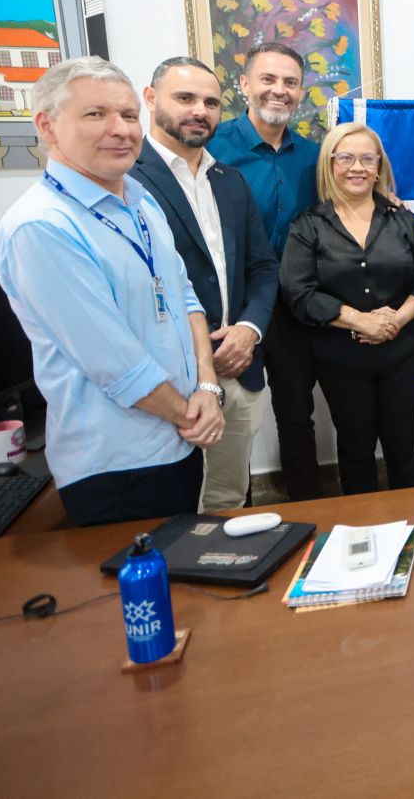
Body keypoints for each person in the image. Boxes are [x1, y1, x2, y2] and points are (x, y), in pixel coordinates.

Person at [0, 57, 224, 526]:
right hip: (120, 466)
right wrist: (192, 415)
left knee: (179, 590)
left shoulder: (138, 201)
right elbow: (116, 366)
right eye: (95, 114)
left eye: (127, 115)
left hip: (177, 442)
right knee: (139, 596)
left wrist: (206, 385)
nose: (120, 129)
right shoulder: (42, 227)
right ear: (48, 126)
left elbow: (183, 296)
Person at [132, 57, 279, 512]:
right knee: (174, 513)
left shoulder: (228, 180)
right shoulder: (126, 181)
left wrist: (249, 330)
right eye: (185, 98)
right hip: (173, 384)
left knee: (227, 502)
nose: (200, 110)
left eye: (211, 103)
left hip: (240, 368)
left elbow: (263, 268)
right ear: (151, 98)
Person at [280, 122, 414, 494]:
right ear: (330, 164)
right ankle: (363, 540)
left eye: (368, 158)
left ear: (379, 166)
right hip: (341, 357)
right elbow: (299, 292)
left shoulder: (402, 219)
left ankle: (413, 532)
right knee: (355, 451)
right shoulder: (309, 227)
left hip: (401, 351)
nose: (358, 167)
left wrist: (397, 319)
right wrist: (360, 321)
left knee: (404, 450)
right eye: (347, 158)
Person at [209, 42, 328, 499]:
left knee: (297, 414)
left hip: (295, 308)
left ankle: (308, 509)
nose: (279, 91)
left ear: (301, 92)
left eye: (290, 83)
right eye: (268, 80)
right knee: (231, 416)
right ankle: (236, 518)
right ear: (244, 86)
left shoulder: (316, 156)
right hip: (233, 312)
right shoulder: (213, 149)